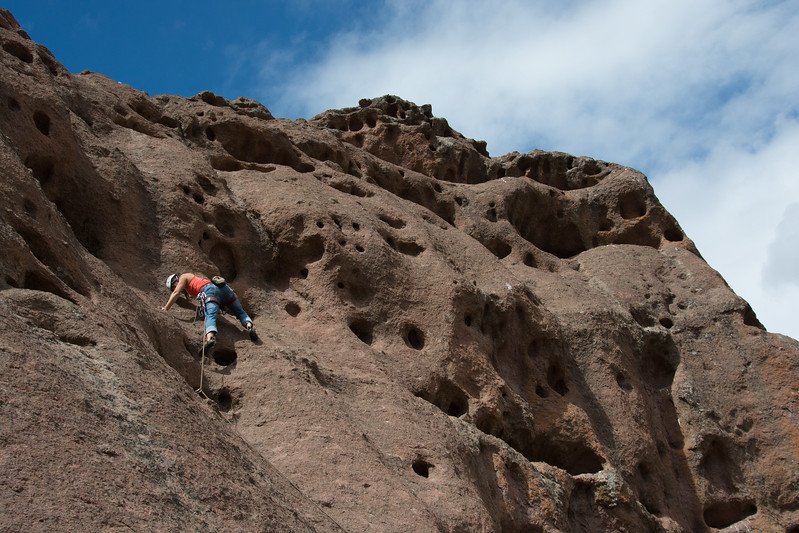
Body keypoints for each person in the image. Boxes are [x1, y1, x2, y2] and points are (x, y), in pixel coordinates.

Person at [162, 272, 257, 353]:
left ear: (175, 281)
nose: (175, 289)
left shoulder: (184, 276)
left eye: (173, 287)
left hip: (210, 292)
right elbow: (189, 292)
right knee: (240, 312)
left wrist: (166, 309)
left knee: (210, 316)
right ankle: (249, 326)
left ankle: (210, 338)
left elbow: (176, 293)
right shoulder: (191, 284)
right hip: (224, 289)